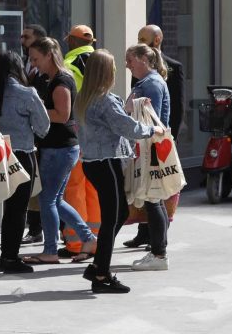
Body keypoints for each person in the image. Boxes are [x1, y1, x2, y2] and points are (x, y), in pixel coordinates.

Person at [77, 50, 162, 294]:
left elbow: (112, 122)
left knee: (119, 213)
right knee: (112, 218)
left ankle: (98, 266)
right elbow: (125, 127)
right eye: (113, 67)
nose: (116, 70)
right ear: (106, 72)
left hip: (93, 162)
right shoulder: (104, 99)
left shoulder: (84, 97)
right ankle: (101, 274)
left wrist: (127, 108)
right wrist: (152, 130)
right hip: (106, 163)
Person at [23, 37, 97, 266]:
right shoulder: (56, 78)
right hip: (62, 148)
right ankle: (88, 239)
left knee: (47, 200)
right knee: (55, 200)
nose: (33, 63)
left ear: (49, 55)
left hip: (59, 148)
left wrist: (35, 112)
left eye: (36, 58)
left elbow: (62, 115)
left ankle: (50, 250)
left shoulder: (61, 80)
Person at [0, 51, 50, 273]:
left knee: (8, 207)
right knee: (19, 208)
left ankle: (7, 255)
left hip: (0, 155)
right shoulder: (27, 93)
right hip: (22, 154)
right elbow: (43, 127)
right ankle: (10, 257)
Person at [123, 44, 171, 271]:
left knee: (153, 200)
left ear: (143, 59)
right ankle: (158, 252)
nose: (127, 65)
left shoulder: (150, 84)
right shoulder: (148, 82)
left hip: (150, 148)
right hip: (151, 148)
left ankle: (159, 254)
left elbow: (151, 120)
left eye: (130, 60)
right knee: (155, 200)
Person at [57, 24, 100, 259]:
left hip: (76, 132)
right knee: (93, 186)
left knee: (74, 187)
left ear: (72, 41)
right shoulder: (102, 62)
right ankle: (97, 238)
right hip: (98, 133)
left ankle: (76, 242)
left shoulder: (69, 63)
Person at [20, 22, 47, 244]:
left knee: (43, 183)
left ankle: (44, 227)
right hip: (28, 133)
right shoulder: (23, 63)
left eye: (26, 37)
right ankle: (35, 227)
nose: (22, 40)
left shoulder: (48, 71)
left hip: (43, 133)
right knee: (31, 182)